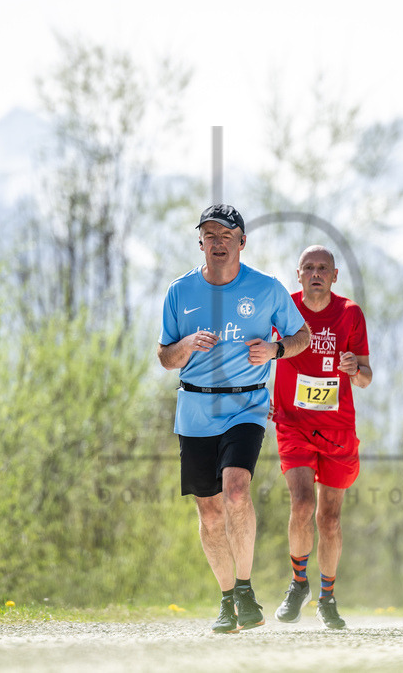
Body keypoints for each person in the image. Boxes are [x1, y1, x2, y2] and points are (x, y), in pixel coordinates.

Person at [158, 204, 311, 634]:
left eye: (227, 235)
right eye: (210, 235)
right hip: (194, 410)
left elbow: (303, 336)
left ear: (242, 242)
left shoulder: (267, 289)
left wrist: (276, 350)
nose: (218, 242)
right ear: (200, 242)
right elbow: (165, 357)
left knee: (237, 491)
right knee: (209, 515)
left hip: (246, 406)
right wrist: (185, 344)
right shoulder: (179, 292)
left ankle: (245, 587)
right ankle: (228, 600)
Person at [271, 245, 372, 630]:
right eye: (309, 267)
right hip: (293, 422)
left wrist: (353, 370)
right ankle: (299, 583)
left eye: (323, 268)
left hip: (337, 428)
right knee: (300, 504)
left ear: (334, 276)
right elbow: (261, 351)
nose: (316, 273)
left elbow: (366, 376)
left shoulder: (350, 314)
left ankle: (327, 597)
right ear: (298, 274)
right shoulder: (283, 308)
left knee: (329, 520)